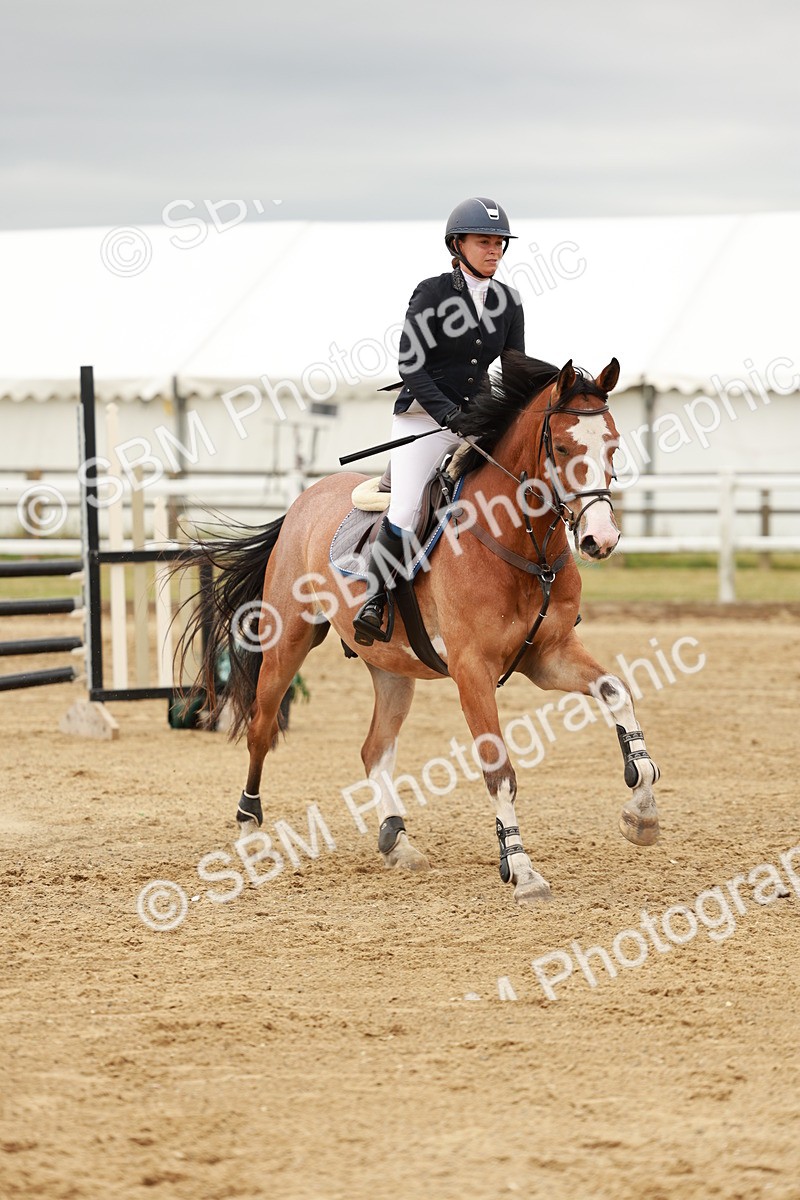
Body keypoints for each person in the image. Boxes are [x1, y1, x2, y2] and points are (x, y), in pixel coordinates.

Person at [353, 196, 526, 646]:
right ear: (458, 244)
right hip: (422, 418)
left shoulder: (509, 302)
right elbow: (411, 365)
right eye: (484, 242)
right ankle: (374, 599)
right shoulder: (432, 293)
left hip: (479, 420)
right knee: (408, 507)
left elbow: (515, 370)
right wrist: (448, 415)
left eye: (500, 243)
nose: (495, 251)